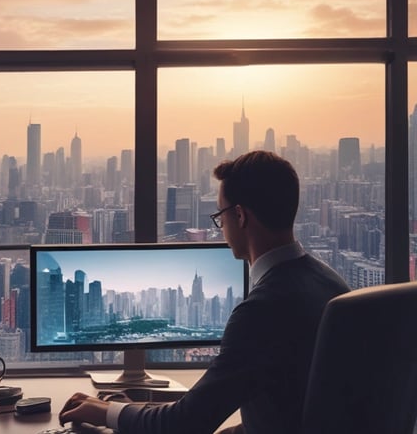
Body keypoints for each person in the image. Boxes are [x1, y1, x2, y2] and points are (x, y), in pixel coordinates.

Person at [59, 150, 350, 434]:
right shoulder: (331, 283)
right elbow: (294, 408)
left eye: (220, 216)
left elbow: (183, 424)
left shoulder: (263, 309)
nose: (220, 227)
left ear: (240, 216)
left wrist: (102, 410)